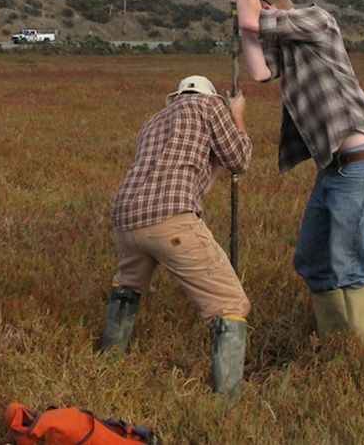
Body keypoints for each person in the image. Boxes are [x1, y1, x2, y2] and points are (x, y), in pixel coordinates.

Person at [228, 0, 364, 351]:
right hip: (334, 169)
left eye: (257, 7)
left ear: (271, 5)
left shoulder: (316, 19)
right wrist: (245, 23)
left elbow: (253, 19)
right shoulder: (287, 48)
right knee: (311, 260)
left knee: (349, 263)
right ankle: (342, 344)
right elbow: (258, 72)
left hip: (361, 163)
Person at [100, 74, 253, 396]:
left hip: (126, 218)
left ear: (177, 95)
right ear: (212, 96)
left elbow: (194, 171)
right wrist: (236, 113)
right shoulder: (210, 106)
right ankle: (229, 401)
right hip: (170, 218)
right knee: (231, 303)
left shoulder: (153, 121)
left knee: (128, 285)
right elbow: (239, 160)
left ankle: (107, 366)